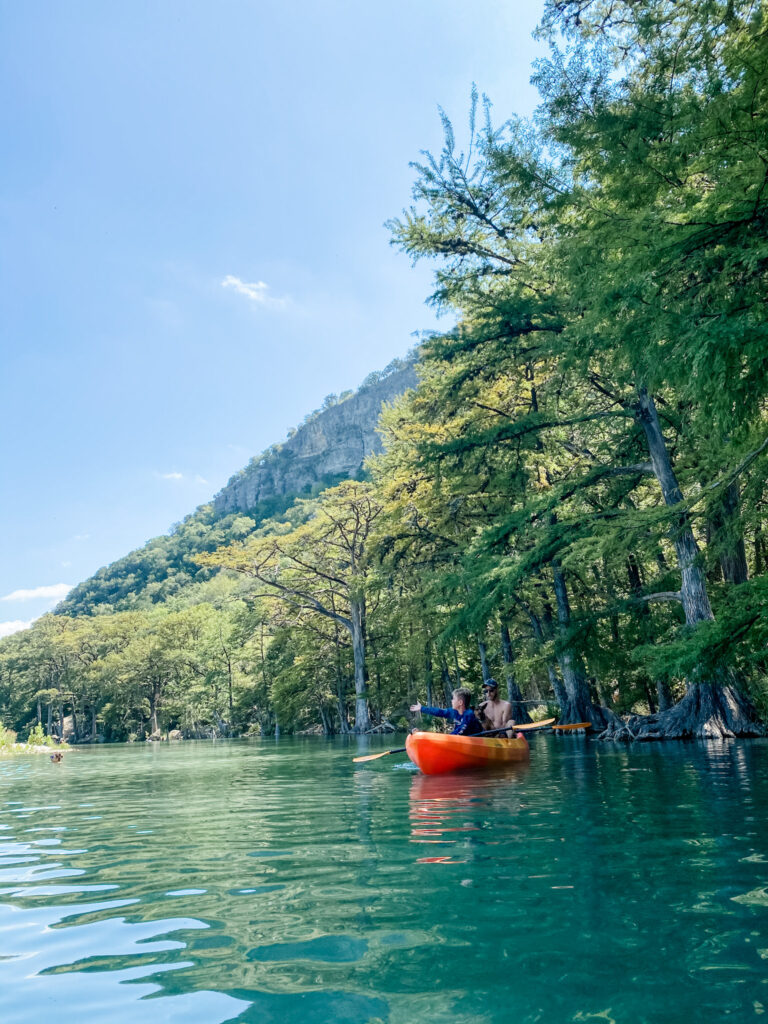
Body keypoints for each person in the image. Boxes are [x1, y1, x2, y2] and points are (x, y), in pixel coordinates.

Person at [410, 687, 484, 736]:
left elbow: (461, 731)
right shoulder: (454, 711)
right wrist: (422, 708)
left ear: (460, 702)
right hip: (461, 740)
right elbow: (439, 712)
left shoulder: (469, 714)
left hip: (475, 741)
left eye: (453, 699)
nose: (451, 701)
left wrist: (446, 739)